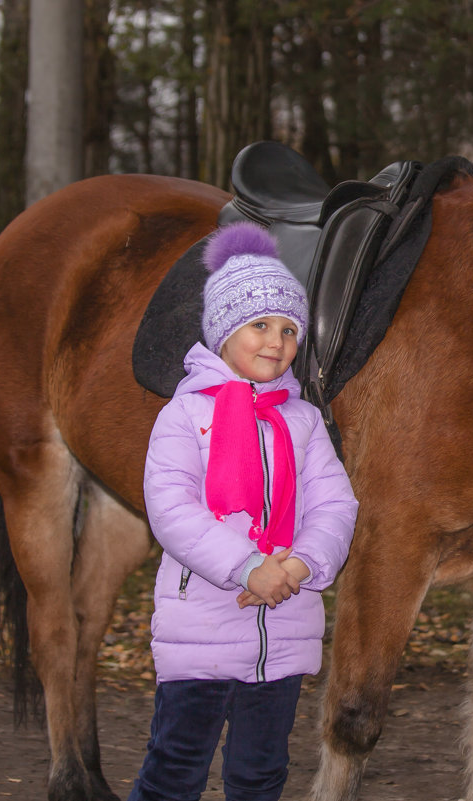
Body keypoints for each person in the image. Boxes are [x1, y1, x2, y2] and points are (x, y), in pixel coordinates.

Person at [128, 221, 358, 801]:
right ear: (223, 332)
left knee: (259, 777)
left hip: (281, 639)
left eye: (289, 330)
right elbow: (172, 509)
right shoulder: (184, 416)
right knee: (174, 772)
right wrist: (247, 566)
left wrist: (300, 566)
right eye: (260, 325)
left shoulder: (301, 421)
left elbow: (336, 502)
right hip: (199, 635)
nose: (277, 342)